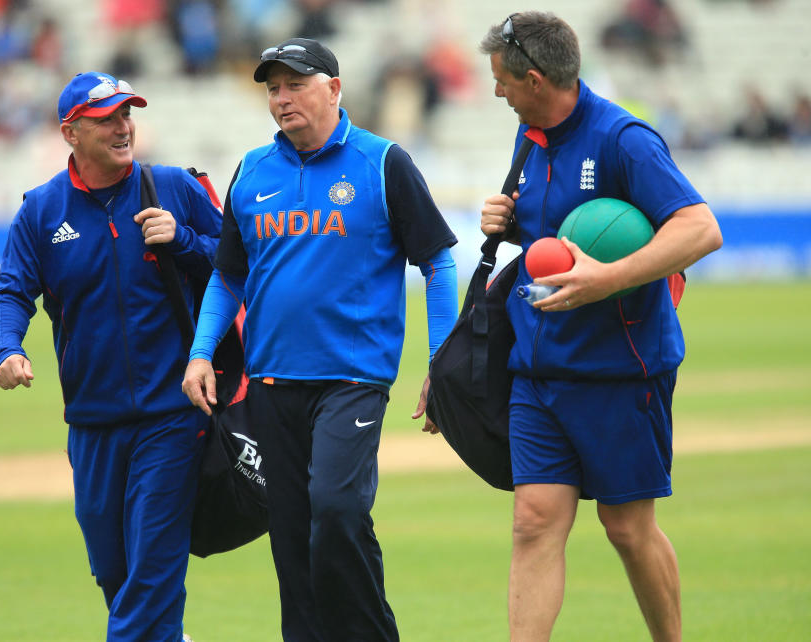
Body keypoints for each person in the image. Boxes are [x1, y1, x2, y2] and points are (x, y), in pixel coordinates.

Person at [181, 38, 458, 641]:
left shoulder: (382, 163)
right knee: (292, 539)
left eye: (296, 84)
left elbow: (437, 263)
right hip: (273, 384)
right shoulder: (252, 169)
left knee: (336, 510)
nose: (282, 99)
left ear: (333, 89)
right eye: (273, 88)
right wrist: (202, 352)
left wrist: (444, 362)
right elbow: (229, 275)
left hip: (352, 381)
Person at [476, 13, 722, 642]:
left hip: (620, 370)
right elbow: (543, 245)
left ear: (535, 78)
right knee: (533, 520)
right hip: (538, 368)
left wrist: (606, 279)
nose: (496, 91)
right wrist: (506, 221)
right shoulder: (528, 137)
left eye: (503, 80)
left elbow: (700, 229)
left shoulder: (625, 139)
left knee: (627, 528)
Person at [0, 71, 222, 642]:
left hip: (173, 415)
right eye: (107, 119)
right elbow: (13, 292)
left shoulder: (175, 187)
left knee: (152, 571)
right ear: (71, 133)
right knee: (115, 573)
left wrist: (184, 241)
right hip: (91, 424)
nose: (123, 128)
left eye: (127, 115)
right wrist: (7, 348)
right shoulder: (41, 211)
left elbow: (239, 269)